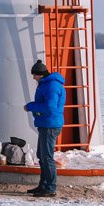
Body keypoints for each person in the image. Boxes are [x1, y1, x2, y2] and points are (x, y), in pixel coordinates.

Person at [23, 59, 64, 197]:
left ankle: (50, 187)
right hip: (46, 124)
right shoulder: (46, 84)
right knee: (42, 156)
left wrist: (30, 106)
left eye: (34, 75)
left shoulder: (51, 86)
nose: (33, 77)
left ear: (40, 74)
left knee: (47, 157)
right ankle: (44, 185)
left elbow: (50, 107)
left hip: (50, 125)